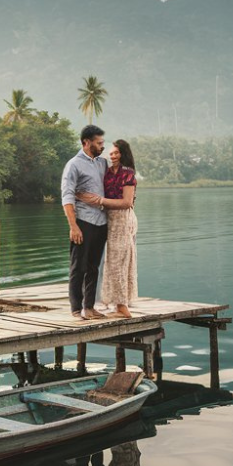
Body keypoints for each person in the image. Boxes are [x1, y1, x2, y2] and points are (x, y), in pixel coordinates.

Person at [79, 139, 137, 318]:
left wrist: (99, 201)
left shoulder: (128, 174)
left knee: (120, 261)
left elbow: (127, 202)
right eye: (111, 153)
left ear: (123, 154)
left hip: (122, 219)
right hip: (107, 218)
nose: (112, 156)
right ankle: (114, 301)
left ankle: (122, 303)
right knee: (110, 262)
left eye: (116, 153)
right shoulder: (107, 171)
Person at [61, 125, 109, 320]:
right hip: (82, 222)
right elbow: (67, 196)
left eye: (103, 143)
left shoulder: (102, 163)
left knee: (93, 267)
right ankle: (75, 309)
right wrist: (73, 226)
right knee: (78, 266)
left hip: (101, 222)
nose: (102, 147)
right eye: (99, 143)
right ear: (86, 143)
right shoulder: (73, 164)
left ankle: (89, 307)